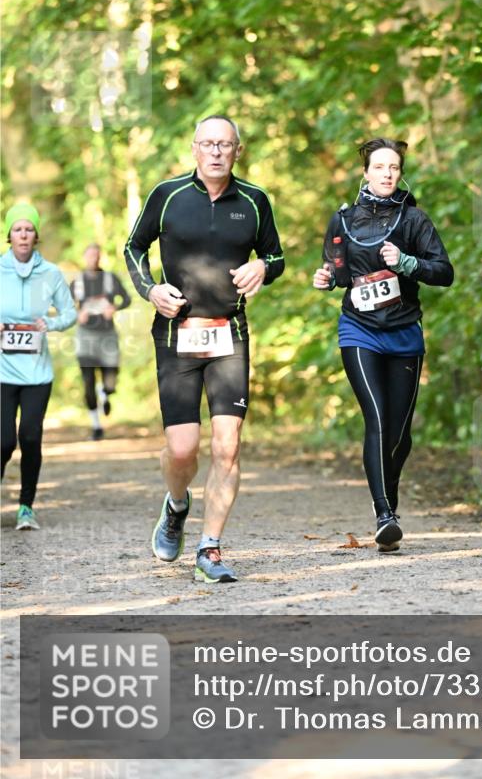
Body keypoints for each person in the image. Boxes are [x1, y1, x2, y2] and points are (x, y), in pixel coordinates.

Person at [124, 115, 284, 583]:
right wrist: (151, 290)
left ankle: (209, 548)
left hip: (229, 334)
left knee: (228, 446)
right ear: (194, 149)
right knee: (182, 450)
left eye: (226, 144)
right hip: (177, 337)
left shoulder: (254, 201)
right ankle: (176, 505)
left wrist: (263, 269)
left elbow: (275, 255)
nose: (216, 152)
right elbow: (133, 248)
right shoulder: (167, 195)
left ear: (238, 150)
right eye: (208, 144)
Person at [313, 139, 454, 552]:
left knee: (399, 434)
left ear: (400, 173)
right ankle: (384, 513)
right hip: (359, 330)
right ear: (366, 173)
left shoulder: (414, 220)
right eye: (380, 166)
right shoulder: (343, 219)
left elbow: (444, 272)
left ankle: (388, 501)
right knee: (376, 418)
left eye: (394, 167)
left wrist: (407, 263)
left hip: (405, 332)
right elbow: (336, 272)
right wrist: (325, 279)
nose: (388, 173)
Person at [0, 203, 77, 529]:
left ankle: (26, 507)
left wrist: (51, 323)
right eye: (17, 229)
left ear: (36, 235)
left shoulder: (51, 273)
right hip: (2, 372)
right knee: (4, 441)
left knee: (30, 437)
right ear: (9, 235)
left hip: (37, 374)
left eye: (29, 229)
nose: (23, 235)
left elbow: (70, 313)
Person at [70, 243, 131, 441]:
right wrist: (77, 314)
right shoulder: (77, 282)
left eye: (96, 255)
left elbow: (127, 299)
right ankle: (96, 426)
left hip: (107, 335)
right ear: (84, 257)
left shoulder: (110, 279)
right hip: (86, 336)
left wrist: (115, 308)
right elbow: (64, 305)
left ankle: (105, 393)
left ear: (100, 257)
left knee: (111, 380)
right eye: (89, 255)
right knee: (88, 383)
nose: (93, 259)